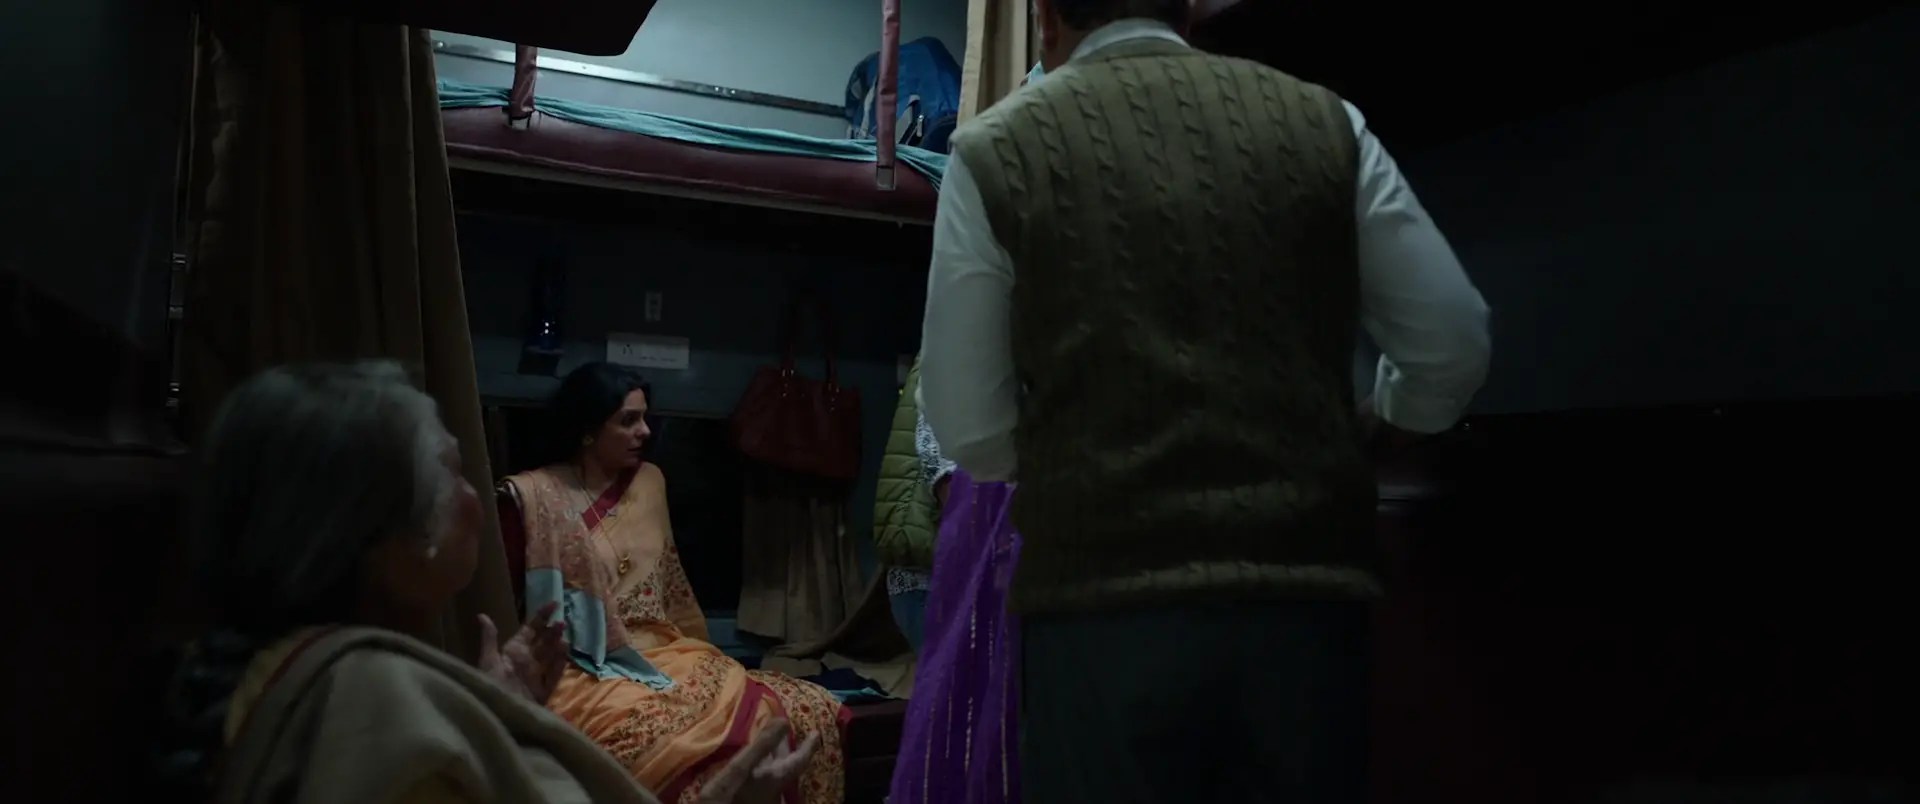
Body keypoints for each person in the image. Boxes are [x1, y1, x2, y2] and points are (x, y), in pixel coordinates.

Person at [916, 0, 1493, 801]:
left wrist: (1078, 465)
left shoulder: (993, 150)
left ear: (1044, 18)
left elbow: (968, 426)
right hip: (1304, 605)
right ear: (1186, 11)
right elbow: (1452, 341)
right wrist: (1386, 423)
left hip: (1098, 616)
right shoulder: (1325, 123)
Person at [152, 361, 816, 803]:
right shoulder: (381, 720)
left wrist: (507, 709)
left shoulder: (295, 673)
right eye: (451, 473)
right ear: (385, 537)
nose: (478, 497)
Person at [498, 362, 849, 804]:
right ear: (588, 430)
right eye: (628, 420)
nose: (645, 431)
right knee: (669, 737)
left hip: (667, 650)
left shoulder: (650, 483)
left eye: (645, 417)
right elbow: (510, 605)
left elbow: (673, 586)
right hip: (581, 666)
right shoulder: (532, 497)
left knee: (799, 707)